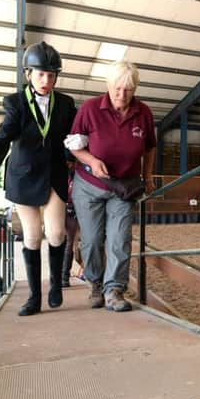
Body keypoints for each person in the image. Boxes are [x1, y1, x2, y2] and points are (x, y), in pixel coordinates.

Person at [0, 42, 76, 316]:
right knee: (34, 235)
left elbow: (75, 132)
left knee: (58, 233)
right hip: (23, 177)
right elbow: (4, 136)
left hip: (54, 175)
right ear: (28, 74)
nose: (46, 80)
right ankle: (34, 297)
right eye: (40, 74)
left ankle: (56, 285)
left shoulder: (66, 104)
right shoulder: (15, 103)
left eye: (51, 75)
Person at [66, 60, 156, 312]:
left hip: (124, 188)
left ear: (135, 88)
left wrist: (147, 175)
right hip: (90, 185)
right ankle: (95, 283)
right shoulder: (90, 108)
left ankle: (114, 290)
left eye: (128, 89)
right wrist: (92, 161)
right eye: (117, 88)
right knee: (93, 240)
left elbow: (150, 146)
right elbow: (74, 145)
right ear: (108, 85)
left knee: (119, 240)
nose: (121, 94)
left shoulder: (144, 112)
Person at [61, 162, 83, 287]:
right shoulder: (59, 170)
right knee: (56, 240)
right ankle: (56, 274)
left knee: (69, 243)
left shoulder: (78, 173)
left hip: (72, 209)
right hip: (59, 206)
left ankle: (64, 276)